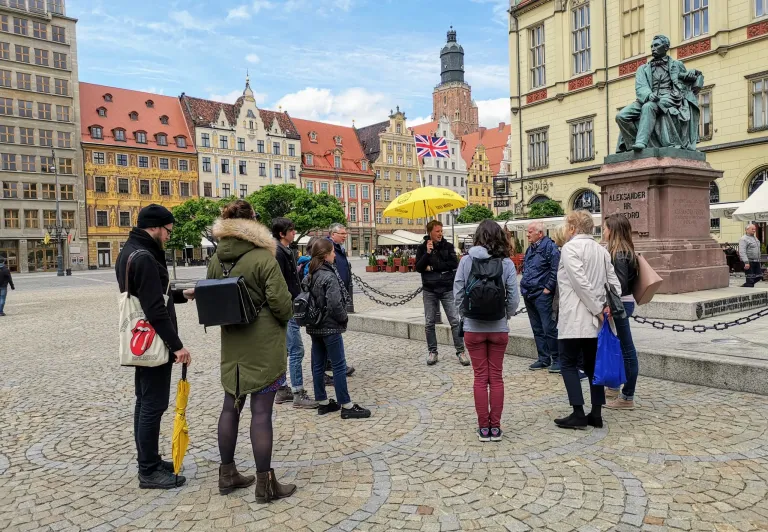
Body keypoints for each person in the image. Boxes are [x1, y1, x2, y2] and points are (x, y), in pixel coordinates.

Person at [207, 200, 296, 503]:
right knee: (261, 412)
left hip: (232, 343)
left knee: (229, 407)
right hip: (263, 344)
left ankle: (227, 473)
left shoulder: (216, 258)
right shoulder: (263, 257)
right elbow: (283, 305)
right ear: (253, 224)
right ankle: (265, 484)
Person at [115, 204, 193, 490]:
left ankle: (149, 459)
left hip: (140, 339)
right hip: (154, 341)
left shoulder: (129, 250)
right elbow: (154, 308)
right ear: (155, 227)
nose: (169, 236)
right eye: (168, 231)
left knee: (144, 401)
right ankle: (148, 470)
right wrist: (177, 346)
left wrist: (182, 294)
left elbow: (149, 294)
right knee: (153, 404)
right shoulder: (146, 257)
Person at [554, 210, 621, 430]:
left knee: (568, 363)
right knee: (594, 366)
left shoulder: (570, 248)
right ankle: (596, 413)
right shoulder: (600, 250)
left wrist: (597, 309)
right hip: (597, 319)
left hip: (577, 316)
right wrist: (607, 306)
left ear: (572, 228)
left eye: (567, 226)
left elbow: (580, 283)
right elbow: (614, 284)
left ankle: (578, 412)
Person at [454, 220, 520, 442]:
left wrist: (466, 314)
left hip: (473, 328)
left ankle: (484, 429)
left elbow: (458, 293)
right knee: (497, 378)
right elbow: (513, 297)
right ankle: (496, 428)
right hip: (499, 327)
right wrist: (506, 316)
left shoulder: (466, 260)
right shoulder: (507, 263)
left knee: (480, 378)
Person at [302, 239, 371, 419]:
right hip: (330, 327)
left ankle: (323, 402)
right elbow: (334, 303)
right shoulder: (329, 275)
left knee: (317, 365)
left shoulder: (310, 273)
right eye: (332, 252)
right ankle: (346, 405)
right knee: (339, 366)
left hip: (314, 326)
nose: (335, 255)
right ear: (325, 255)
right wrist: (344, 317)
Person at [272, 217, 318, 409]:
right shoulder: (278, 252)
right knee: (296, 349)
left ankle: (282, 389)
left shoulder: (285, 250)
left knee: (285, 349)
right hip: (286, 307)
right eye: (291, 230)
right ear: (282, 234)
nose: (294, 232)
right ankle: (298, 392)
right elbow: (279, 282)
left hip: (289, 304)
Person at [415, 220, 468, 366]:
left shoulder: (448, 246)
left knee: (455, 321)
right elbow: (418, 267)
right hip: (429, 289)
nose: (440, 233)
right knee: (429, 322)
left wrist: (432, 268)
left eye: (441, 231)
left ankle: (460, 351)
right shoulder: (422, 248)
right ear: (430, 232)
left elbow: (453, 264)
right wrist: (427, 253)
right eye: (437, 231)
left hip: (446, 288)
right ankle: (433, 352)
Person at [603, 214, 640, 410]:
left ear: (613, 230)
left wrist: (609, 305)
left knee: (627, 350)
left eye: (606, 228)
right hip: (624, 303)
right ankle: (613, 386)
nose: (604, 232)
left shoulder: (618, 254)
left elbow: (619, 285)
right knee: (620, 347)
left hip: (619, 305)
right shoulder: (627, 251)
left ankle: (627, 396)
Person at [520, 222, 561, 372]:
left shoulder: (550, 247)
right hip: (529, 293)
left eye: (530, 232)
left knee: (548, 327)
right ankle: (543, 358)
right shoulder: (530, 248)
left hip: (542, 294)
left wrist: (548, 288)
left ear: (540, 233)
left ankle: (557, 359)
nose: (528, 234)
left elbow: (555, 269)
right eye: (527, 231)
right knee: (537, 328)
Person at [327, 224, 355, 376]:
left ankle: (333, 363)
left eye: (346, 233)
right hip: (334, 296)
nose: (345, 236)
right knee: (334, 333)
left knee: (334, 333)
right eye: (342, 233)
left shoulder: (339, 248)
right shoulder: (329, 248)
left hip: (339, 295)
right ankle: (338, 365)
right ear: (332, 234)